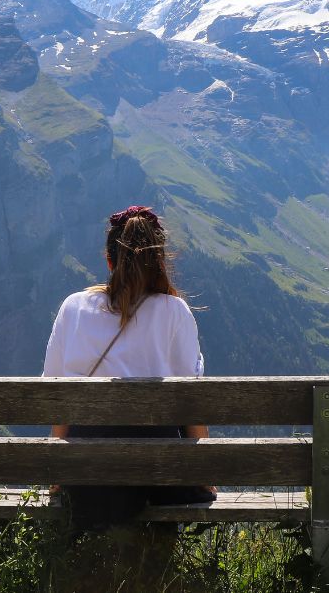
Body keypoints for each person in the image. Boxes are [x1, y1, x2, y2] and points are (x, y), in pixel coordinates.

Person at [41, 205, 217, 533]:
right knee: (159, 465)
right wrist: (204, 476)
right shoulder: (174, 311)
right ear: (159, 262)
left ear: (109, 262)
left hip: (87, 477)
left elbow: (57, 399)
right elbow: (192, 403)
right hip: (158, 477)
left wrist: (56, 474)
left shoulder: (74, 307)